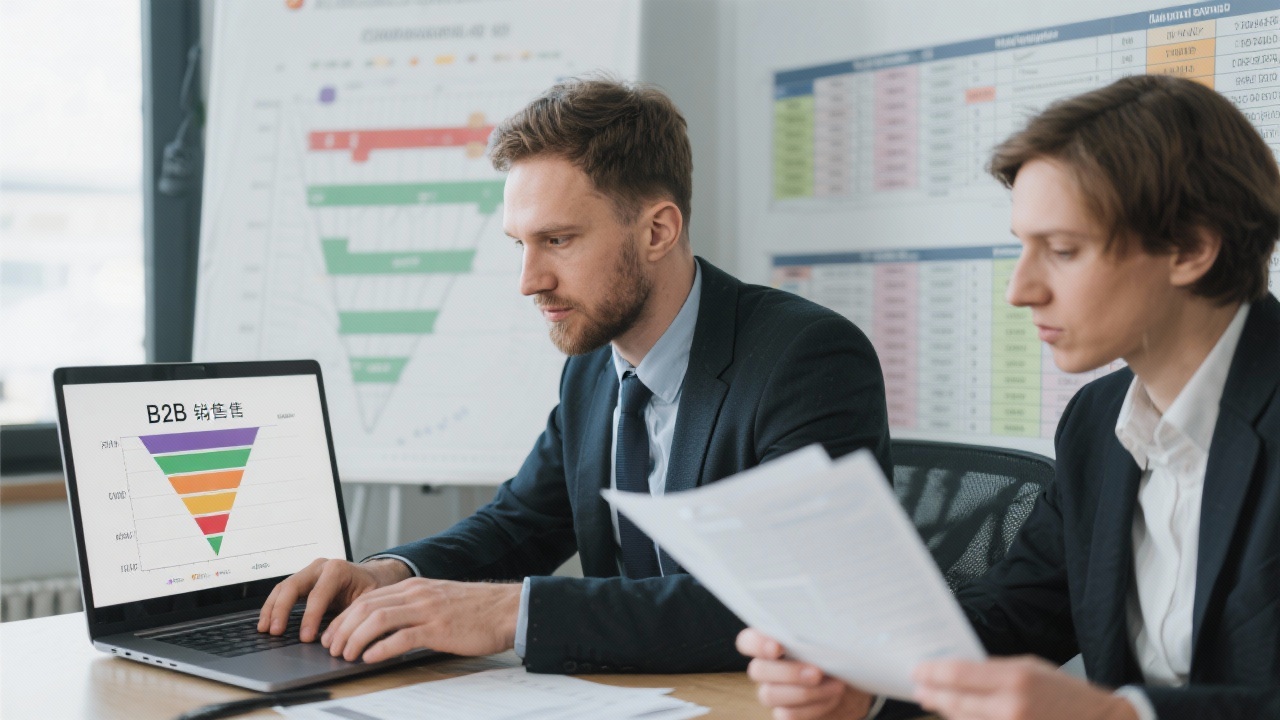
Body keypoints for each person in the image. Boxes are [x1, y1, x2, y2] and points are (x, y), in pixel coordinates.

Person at [258, 77, 892, 674]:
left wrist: (514, 612)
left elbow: (791, 601)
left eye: (557, 241)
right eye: (520, 244)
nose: (530, 281)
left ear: (657, 231)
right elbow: (521, 522)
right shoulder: (594, 365)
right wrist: (390, 574)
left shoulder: (806, 358)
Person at [737, 73, 1280, 720]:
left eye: (1062, 250)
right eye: (1022, 248)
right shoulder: (1098, 423)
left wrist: (1116, 717)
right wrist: (871, 681)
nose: (1019, 290)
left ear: (1190, 248)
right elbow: (1015, 613)